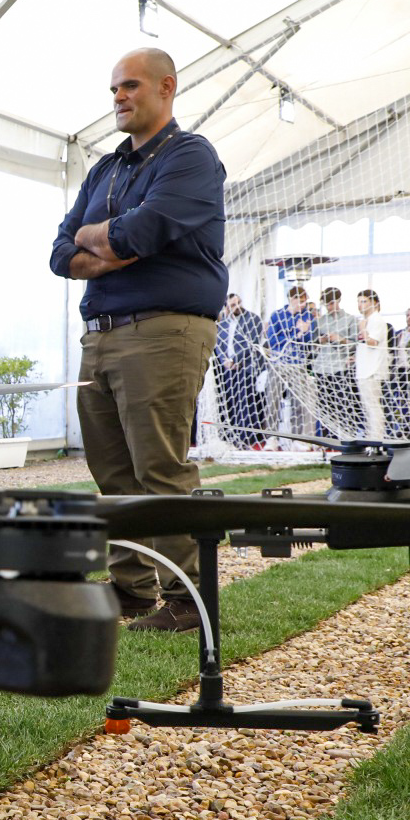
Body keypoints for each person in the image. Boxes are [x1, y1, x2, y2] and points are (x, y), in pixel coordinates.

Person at [49, 47, 226, 632]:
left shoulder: (191, 157)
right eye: (113, 90)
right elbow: (59, 253)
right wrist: (111, 248)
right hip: (99, 335)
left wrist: (98, 239)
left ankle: (186, 600)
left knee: (160, 468)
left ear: (166, 87)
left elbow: (145, 230)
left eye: (130, 86)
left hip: (162, 331)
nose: (119, 97)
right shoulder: (106, 168)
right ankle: (131, 589)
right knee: (112, 475)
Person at [263, 285, 316, 440]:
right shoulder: (277, 315)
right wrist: (296, 334)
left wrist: (305, 332)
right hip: (278, 363)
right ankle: (271, 438)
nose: (302, 305)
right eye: (299, 301)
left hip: (298, 364)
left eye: (304, 302)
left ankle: (297, 439)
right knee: (273, 401)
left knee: (298, 402)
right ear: (291, 300)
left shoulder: (307, 317)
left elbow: (310, 343)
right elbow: (272, 341)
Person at [212, 292, 263, 446]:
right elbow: (218, 344)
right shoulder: (223, 323)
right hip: (227, 369)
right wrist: (224, 361)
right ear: (227, 307)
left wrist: (236, 360)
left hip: (245, 367)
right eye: (233, 305)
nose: (238, 307)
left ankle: (245, 437)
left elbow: (251, 343)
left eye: (239, 303)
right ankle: (230, 436)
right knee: (229, 402)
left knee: (244, 403)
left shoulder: (253, 319)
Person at [310, 286, 360, 437]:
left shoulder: (351, 319)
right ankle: (327, 438)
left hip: (341, 366)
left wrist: (340, 339)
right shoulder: (320, 321)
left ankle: (346, 436)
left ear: (338, 301)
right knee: (325, 406)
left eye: (332, 303)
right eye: (327, 304)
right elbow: (313, 345)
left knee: (344, 404)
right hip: (322, 367)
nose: (330, 307)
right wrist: (321, 340)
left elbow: (356, 345)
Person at [354, 288, 390, 441]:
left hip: (372, 371)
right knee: (368, 408)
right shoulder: (369, 320)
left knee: (373, 407)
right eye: (358, 302)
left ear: (374, 303)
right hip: (365, 370)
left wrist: (362, 329)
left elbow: (373, 342)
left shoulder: (376, 320)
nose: (360, 305)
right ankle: (372, 438)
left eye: (364, 301)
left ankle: (376, 439)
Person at [387, 305, 410, 438]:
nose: (409, 317)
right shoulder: (400, 333)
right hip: (400, 370)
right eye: (407, 315)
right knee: (400, 400)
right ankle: (402, 428)